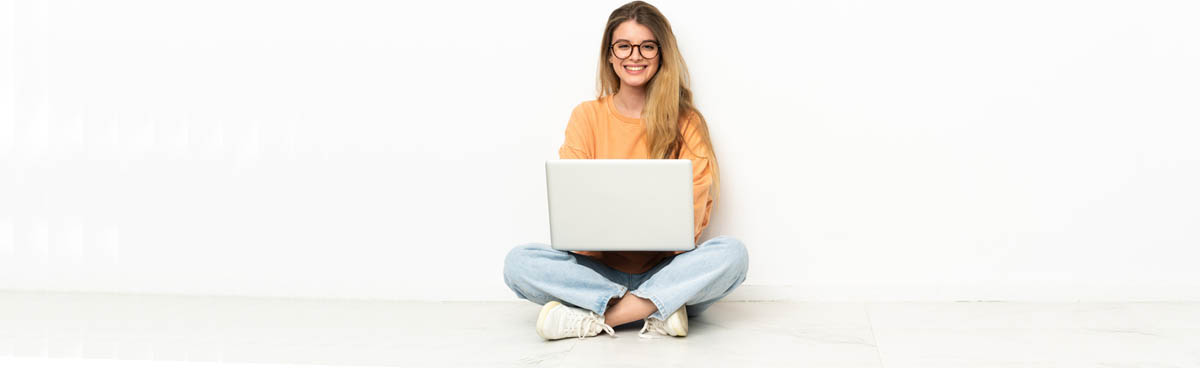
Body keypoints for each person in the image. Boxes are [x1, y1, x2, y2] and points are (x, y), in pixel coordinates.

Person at [503, 1, 748, 340]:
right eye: (624, 46)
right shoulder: (586, 116)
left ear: (661, 54)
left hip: (666, 269)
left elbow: (693, 221)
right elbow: (571, 205)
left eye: (648, 46)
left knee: (732, 255)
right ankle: (657, 307)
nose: (636, 55)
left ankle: (602, 316)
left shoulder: (687, 121)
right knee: (520, 263)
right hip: (598, 272)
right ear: (610, 54)